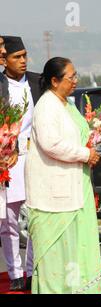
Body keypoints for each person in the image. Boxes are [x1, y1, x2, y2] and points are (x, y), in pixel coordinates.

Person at [25, 57, 101, 294]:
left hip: (76, 186)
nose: (75, 81)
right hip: (54, 195)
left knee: (79, 248)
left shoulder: (67, 104)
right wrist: (84, 154)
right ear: (54, 80)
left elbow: (78, 135)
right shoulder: (46, 106)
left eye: (75, 75)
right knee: (58, 254)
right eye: (71, 77)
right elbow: (51, 144)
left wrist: (96, 136)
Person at [0, 35, 41, 291]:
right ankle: (15, 273)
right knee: (10, 220)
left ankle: (32, 269)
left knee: (36, 215)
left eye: (25, 55)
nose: (23, 61)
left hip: (36, 156)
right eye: (17, 57)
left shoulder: (39, 82)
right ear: (4, 60)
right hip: (7, 159)